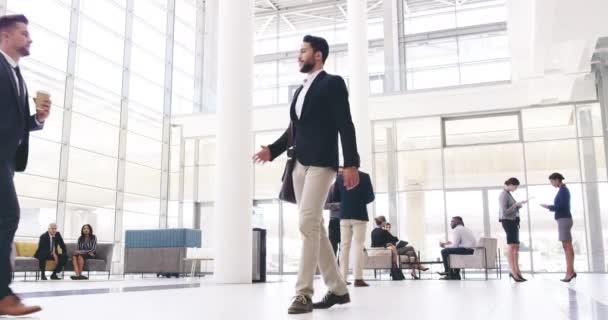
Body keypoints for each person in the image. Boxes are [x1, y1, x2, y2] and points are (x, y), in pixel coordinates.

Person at [253, 35, 358, 314]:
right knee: (314, 227)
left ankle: (303, 293)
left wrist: (351, 163)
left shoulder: (332, 83)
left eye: (303, 51)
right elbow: (293, 130)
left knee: (307, 221)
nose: (298, 56)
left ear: (318, 55)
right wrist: (272, 151)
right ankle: (337, 289)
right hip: (298, 163)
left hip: (322, 163)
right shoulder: (300, 91)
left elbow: (345, 124)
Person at [0, 14, 51, 316]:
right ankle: (3, 295)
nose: (29, 39)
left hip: (7, 160)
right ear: (5, 36)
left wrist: (37, 120)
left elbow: (13, 123)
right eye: (24, 33)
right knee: (8, 217)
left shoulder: (15, 73)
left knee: (5, 219)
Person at [331, 169, 374, 287]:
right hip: (359, 214)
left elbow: (335, 196)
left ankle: (342, 278)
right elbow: (371, 197)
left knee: (344, 247)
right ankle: (358, 279)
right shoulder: (365, 176)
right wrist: (359, 201)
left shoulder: (339, 178)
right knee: (358, 246)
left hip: (344, 215)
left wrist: (347, 200)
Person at [541, 172, 576, 282]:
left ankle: (569, 273)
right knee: (567, 245)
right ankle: (571, 271)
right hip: (564, 219)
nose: (551, 184)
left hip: (564, 219)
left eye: (552, 181)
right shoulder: (562, 190)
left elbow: (561, 206)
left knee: (567, 245)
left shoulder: (563, 190)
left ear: (557, 180)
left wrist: (548, 207)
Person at [499, 177, 527, 282]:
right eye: (515, 186)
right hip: (508, 221)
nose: (515, 189)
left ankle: (517, 271)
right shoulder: (503, 195)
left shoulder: (508, 194)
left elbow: (511, 209)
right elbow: (504, 212)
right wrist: (515, 205)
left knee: (516, 246)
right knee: (512, 246)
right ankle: (513, 271)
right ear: (510, 184)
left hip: (513, 221)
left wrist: (518, 205)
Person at [325, 181, 341, 257]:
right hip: (334, 221)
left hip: (346, 222)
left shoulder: (349, 186)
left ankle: (341, 268)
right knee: (332, 249)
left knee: (344, 250)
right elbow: (325, 205)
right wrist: (338, 205)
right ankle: (334, 268)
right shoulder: (331, 187)